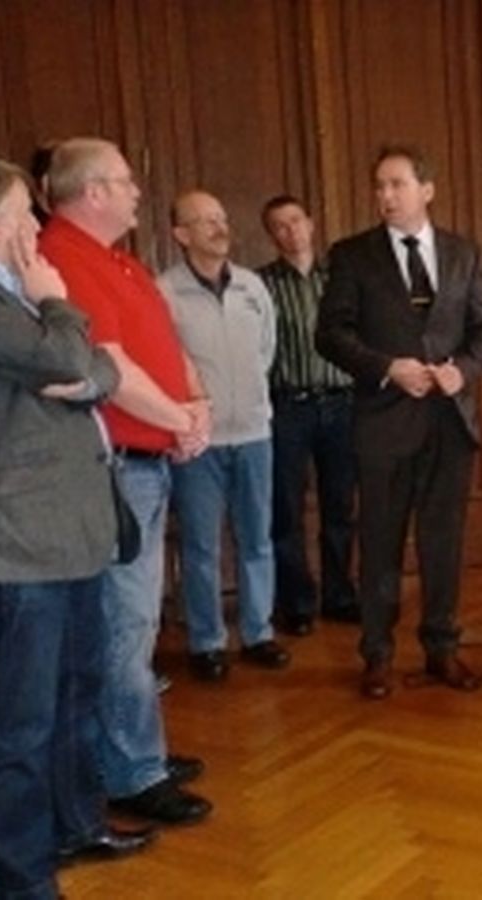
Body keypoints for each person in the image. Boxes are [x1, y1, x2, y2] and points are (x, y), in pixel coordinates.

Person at [0, 156, 153, 899]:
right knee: (19, 723)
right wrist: (58, 308)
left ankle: (75, 825)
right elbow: (68, 357)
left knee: (75, 693)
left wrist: (77, 366)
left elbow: (95, 372)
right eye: (25, 212)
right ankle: (21, 884)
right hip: (19, 540)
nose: (36, 225)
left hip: (68, 530)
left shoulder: (9, 293)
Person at [39, 138, 212, 824]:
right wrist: (181, 420)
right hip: (118, 468)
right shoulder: (65, 257)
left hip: (151, 458)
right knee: (123, 625)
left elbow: (164, 348)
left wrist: (194, 405)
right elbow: (109, 369)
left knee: (135, 624)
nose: (138, 191)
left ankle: (138, 749)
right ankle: (133, 772)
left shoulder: (117, 259)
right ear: (92, 193)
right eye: (126, 181)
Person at [316, 143, 482, 700]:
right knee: (380, 545)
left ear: (427, 190)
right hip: (382, 424)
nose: (386, 195)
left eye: (397, 184)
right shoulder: (353, 255)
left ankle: (442, 647)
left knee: (444, 544)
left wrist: (463, 371)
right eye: (379, 186)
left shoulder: (464, 253)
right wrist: (386, 368)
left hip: (449, 423)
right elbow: (330, 335)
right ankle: (377, 655)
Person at [158, 189, 289, 679]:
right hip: (199, 444)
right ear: (180, 234)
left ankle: (258, 633)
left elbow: (266, 351)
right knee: (201, 546)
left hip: (254, 435)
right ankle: (207, 642)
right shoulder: (164, 292)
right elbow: (163, 363)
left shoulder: (252, 287)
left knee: (257, 539)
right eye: (205, 220)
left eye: (221, 217)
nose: (219, 227)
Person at [257, 194, 360, 635]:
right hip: (288, 408)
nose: (291, 231)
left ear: (311, 224)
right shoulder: (261, 285)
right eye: (280, 225)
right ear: (271, 235)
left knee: (341, 507)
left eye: (296, 221)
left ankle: (340, 595)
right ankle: (297, 602)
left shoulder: (340, 278)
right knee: (286, 510)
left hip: (342, 404)